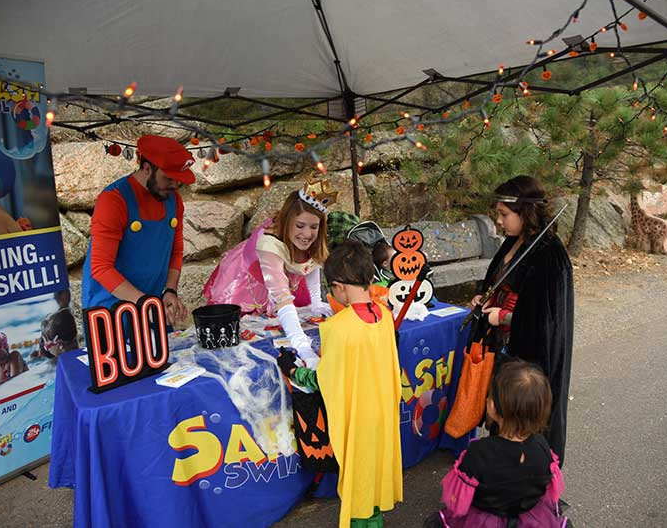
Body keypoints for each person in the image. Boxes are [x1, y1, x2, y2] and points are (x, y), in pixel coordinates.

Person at [278, 240, 402, 528]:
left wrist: (294, 371)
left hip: (357, 421)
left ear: (338, 286)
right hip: (383, 415)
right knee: (373, 484)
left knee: (359, 489)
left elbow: (324, 379)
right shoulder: (384, 317)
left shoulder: (335, 328)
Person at [468, 175, 574, 465]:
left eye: (504, 214)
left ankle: (529, 478)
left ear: (524, 212)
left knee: (522, 420)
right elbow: (497, 281)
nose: (499, 221)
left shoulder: (549, 254)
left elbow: (546, 320)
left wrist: (502, 316)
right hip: (504, 352)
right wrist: (483, 297)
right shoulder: (513, 242)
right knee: (502, 415)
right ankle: (500, 468)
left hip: (530, 361)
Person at [203, 178, 336, 368]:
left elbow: (310, 264)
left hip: (281, 277)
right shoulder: (268, 243)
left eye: (313, 227)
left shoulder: (311, 240)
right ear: (288, 220)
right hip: (247, 283)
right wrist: (302, 346)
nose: (307, 234)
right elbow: (281, 296)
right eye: (300, 226)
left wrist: (316, 302)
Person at [432, 361, 566, 527]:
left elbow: (458, 500)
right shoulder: (542, 447)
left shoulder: (479, 452)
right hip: (533, 520)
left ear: (493, 406)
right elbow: (546, 493)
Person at [82, 135, 192, 327]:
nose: (175, 185)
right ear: (147, 168)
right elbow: (101, 268)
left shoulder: (174, 200)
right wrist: (145, 303)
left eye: (179, 181)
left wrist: (170, 290)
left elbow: (176, 251)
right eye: (168, 178)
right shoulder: (113, 200)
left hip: (150, 306)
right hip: (111, 311)